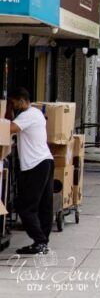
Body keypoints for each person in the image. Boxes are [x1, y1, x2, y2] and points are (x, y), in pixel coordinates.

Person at [6, 88, 54, 255]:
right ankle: (42, 242)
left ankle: (40, 241)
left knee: (25, 207)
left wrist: (6, 112)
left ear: (21, 100)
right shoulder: (36, 113)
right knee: (44, 205)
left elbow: (9, 128)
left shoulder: (27, 115)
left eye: (13, 103)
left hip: (35, 165)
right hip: (45, 161)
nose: (12, 105)